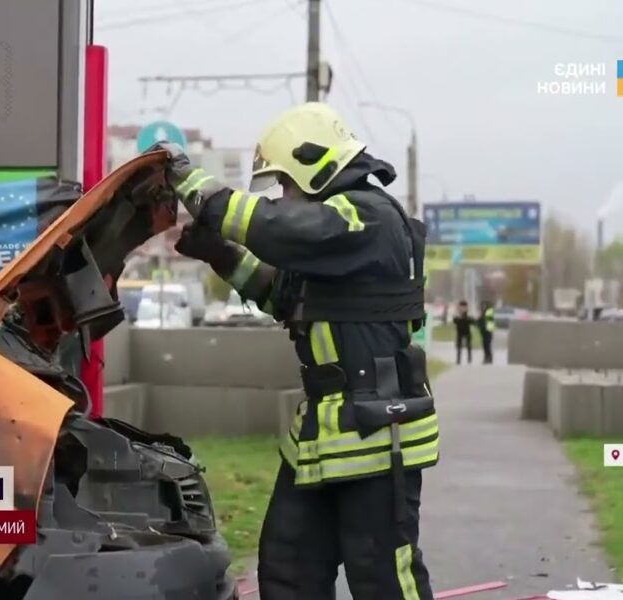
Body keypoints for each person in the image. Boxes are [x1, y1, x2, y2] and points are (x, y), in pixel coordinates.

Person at [146, 102, 439, 600]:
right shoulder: (332, 241)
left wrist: (191, 182)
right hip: (325, 436)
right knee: (288, 569)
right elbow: (282, 296)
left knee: (383, 578)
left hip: (375, 434)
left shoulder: (365, 216)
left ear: (314, 163)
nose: (282, 195)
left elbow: (277, 228)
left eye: (284, 182)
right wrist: (220, 254)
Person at [452, 300, 473, 365]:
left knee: (469, 345)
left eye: (464, 307)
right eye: (461, 307)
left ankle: (469, 359)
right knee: (459, 346)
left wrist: (464, 318)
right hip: (460, 332)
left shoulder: (467, 314)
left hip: (467, 331)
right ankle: (458, 360)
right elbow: (454, 320)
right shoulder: (457, 315)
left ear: (466, 307)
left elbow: (471, 321)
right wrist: (459, 317)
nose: (462, 308)